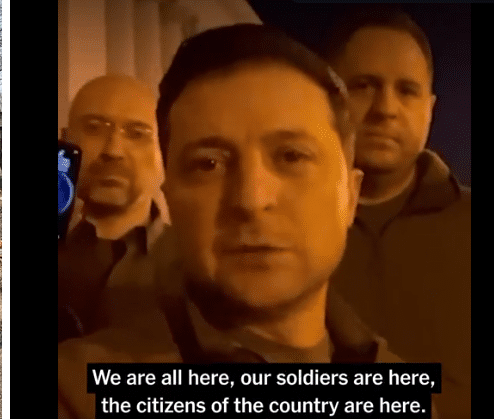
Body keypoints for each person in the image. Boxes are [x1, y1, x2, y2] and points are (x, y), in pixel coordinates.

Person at [58, 24, 436, 419]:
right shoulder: (78, 389)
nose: (251, 199)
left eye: (291, 156)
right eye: (208, 164)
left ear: (352, 195)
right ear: (170, 197)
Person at [322, 7, 470, 418]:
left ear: (430, 106)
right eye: (365, 85)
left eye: (407, 90)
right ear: (330, 97)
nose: (386, 108)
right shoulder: (277, 228)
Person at [58, 74, 170, 343]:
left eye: (137, 134)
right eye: (95, 128)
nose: (114, 150)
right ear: (65, 140)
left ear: (163, 150)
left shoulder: (203, 267)